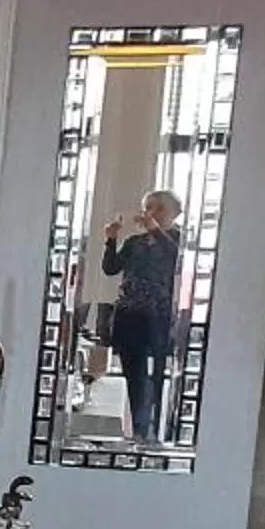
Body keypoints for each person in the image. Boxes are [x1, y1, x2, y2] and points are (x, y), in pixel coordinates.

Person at [99, 189, 185, 444]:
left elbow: (173, 258)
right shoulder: (135, 242)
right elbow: (111, 268)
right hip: (129, 312)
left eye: (159, 208)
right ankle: (138, 428)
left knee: (158, 372)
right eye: (148, 207)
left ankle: (158, 428)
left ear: (175, 213)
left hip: (158, 315)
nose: (152, 213)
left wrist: (156, 230)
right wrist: (111, 239)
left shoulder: (178, 240)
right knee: (133, 371)